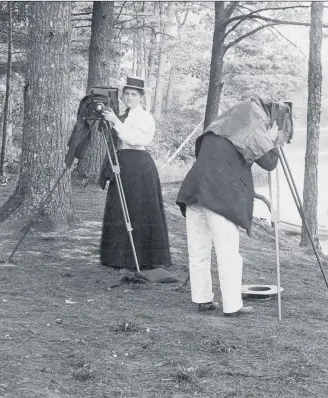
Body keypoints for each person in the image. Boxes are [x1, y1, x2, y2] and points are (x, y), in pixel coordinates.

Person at [176, 98, 289, 316]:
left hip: (195, 190)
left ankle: (203, 299)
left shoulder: (224, 121)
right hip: (219, 195)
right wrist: (272, 139)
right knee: (228, 252)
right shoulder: (254, 124)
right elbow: (270, 163)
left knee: (198, 249)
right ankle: (231, 305)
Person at [98, 77, 171, 270]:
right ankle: (118, 258)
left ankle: (142, 259)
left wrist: (115, 123)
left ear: (141, 97)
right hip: (122, 163)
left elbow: (135, 140)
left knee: (137, 209)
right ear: (122, 96)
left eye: (133, 94)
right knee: (120, 208)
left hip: (139, 166)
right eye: (127, 94)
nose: (129, 97)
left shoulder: (144, 117)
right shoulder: (123, 115)